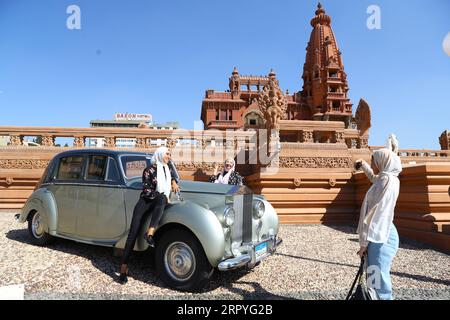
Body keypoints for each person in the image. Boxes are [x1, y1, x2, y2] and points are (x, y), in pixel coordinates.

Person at [118, 146, 180, 284]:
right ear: (160, 155)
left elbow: (171, 177)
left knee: (163, 198)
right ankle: (123, 269)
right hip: (145, 202)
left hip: (158, 201)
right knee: (132, 234)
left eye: (170, 154)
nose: (169, 156)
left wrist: (174, 182)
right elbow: (147, 190)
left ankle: (150, 232)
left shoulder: (167, 169)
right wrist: (163, 195)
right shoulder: (149, 170)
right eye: (167, 154)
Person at [354, 135, 402, 300]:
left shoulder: (386, 181)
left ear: (383, 161)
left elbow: (375, 214)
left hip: (380, 234)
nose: (374, 164)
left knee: (378, 276)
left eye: (375, 160)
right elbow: (375, 179)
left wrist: (364, 243)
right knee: (374, 273)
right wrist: (365, 166)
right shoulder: (390, 178)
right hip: (384, 230)